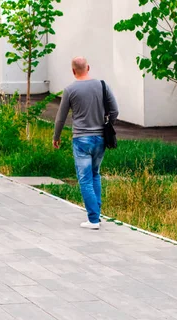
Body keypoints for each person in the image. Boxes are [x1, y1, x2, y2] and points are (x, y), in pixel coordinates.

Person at [53, 57, 119, 229]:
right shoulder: (102, 85)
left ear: (73, 71)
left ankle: (93, 219)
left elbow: (60, 118)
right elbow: (115, 110)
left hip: (81, 139)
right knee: (95, 174)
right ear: (88, 67)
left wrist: (56, 136)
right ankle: (97, 214)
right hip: (100, 139)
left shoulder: (70, 90)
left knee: (85, 179)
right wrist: (107, 124)